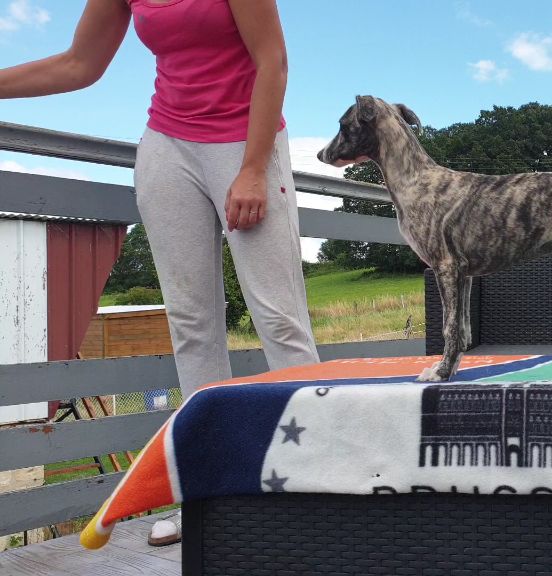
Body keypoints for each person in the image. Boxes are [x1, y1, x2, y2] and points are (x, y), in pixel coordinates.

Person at [0, 0, 320, 546]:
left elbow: (273, 61)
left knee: (279, 318)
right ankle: (209, 494)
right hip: (168, 146)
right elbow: (79, 64)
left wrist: (251, 169)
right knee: (192, 325)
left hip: (246, 142)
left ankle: (320, 487)